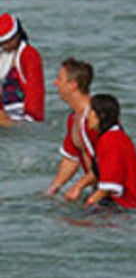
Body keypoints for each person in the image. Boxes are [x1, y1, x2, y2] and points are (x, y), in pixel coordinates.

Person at [79, 94, 136, 210]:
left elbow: (110, 185)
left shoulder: (110, 140)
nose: (87, 117)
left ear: (98, 116)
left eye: (90, 113)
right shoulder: (116, 136)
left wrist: (89, 203)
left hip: (128, 205)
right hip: (134, 203)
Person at [46, 58, 96, 197]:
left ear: (73, 85)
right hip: (98, 190)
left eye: (59, 79)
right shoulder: (74, 118)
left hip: (116, 195)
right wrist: (52, 190)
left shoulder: (94, 118)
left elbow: (110, 164)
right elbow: (71, 159)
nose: (55, 83)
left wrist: (78, 185)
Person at [0, 13, 44, 125]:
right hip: (5, 113)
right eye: (2, 43)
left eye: (8, 42)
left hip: (22, 116)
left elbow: (35, 88)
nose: (5, 46)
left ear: (18, 36)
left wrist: (32, 118)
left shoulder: (29, 55)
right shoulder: (3, 56)